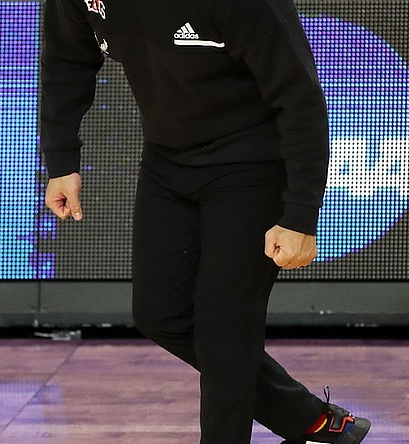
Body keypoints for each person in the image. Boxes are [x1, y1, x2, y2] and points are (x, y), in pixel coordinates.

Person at [39, 0, 371, 442]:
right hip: (167, 161)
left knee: (225, 331)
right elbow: (67, 57)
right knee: (160, 315)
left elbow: (300, 96)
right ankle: (309, 420)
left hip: (253, 161)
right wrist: (61, 160)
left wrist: (300, 215)